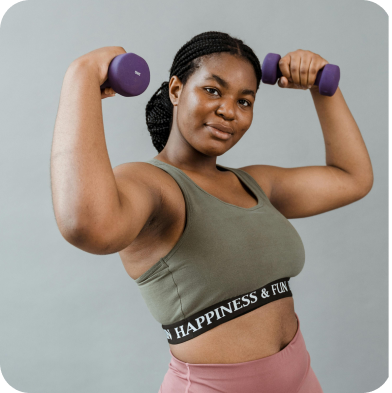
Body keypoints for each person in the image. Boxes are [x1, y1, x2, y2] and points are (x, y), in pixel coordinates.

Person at [51, 31, 374, 392]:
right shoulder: (153, 185)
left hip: (301, 377)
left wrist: (322, 85)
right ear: (176, 90)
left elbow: (352, 178)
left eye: (245, 101)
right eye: (213, 90)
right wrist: (80, 77)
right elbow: (86, 224)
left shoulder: (255, 183)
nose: (228, 110)